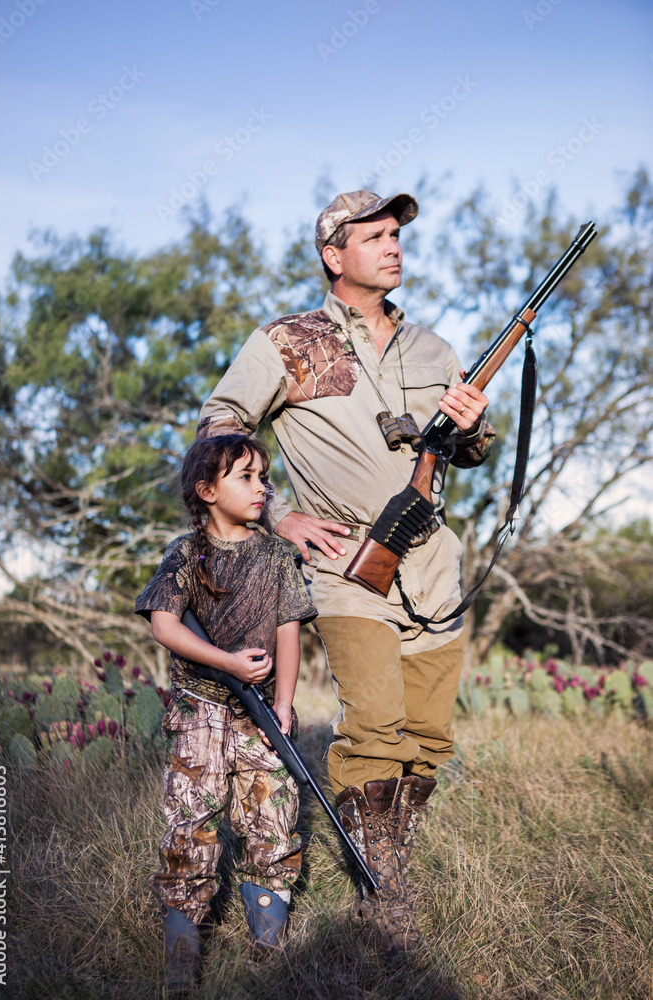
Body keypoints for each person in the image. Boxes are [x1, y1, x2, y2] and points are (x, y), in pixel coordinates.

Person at [197, 189, 494, 953]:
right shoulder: (285, 341)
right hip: (345, 565)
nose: (393, 246)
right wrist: (276, 516)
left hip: (433, 561)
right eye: (375, 236)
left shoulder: (432, 347)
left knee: (428, 738)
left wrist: (470, 429)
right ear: (335, 254)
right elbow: (219, 426)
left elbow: (472, 448)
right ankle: (384, 890)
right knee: (376, 727)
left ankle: (390, 851)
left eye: (397, 234)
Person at [135, 434, 316, 991]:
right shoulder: (187, 553)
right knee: (191, 821)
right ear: (207, 490)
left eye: (264, 476)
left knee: (272, 817)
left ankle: (269, 952)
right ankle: (183, 960)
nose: (262, 487)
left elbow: (289, 629)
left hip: (260, 713)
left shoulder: (276, 555)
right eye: (246, 477)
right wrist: (228, 663)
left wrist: (283, 703)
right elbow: (164, 624)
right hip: (200, 709)